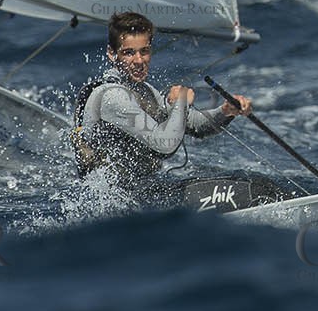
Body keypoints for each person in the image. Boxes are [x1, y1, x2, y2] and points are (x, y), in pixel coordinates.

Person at [71, 11, 251, 186]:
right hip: (113, 199)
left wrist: (226, 111)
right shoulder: (112, 97)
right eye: (128, 53)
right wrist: (181, 103)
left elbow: (195, 126)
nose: (139, 60)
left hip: (142, 188)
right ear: (112, 53)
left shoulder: (144, 90)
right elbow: (164, 145)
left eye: (144, 51)